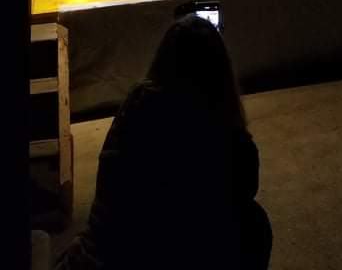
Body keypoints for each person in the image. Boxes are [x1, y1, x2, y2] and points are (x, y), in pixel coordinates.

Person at [54, 14, 272, 270]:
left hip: (102, 254)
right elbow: (246, 184)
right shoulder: (216, 120)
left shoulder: (137, 102)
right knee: (254, 224)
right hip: (148, 253)